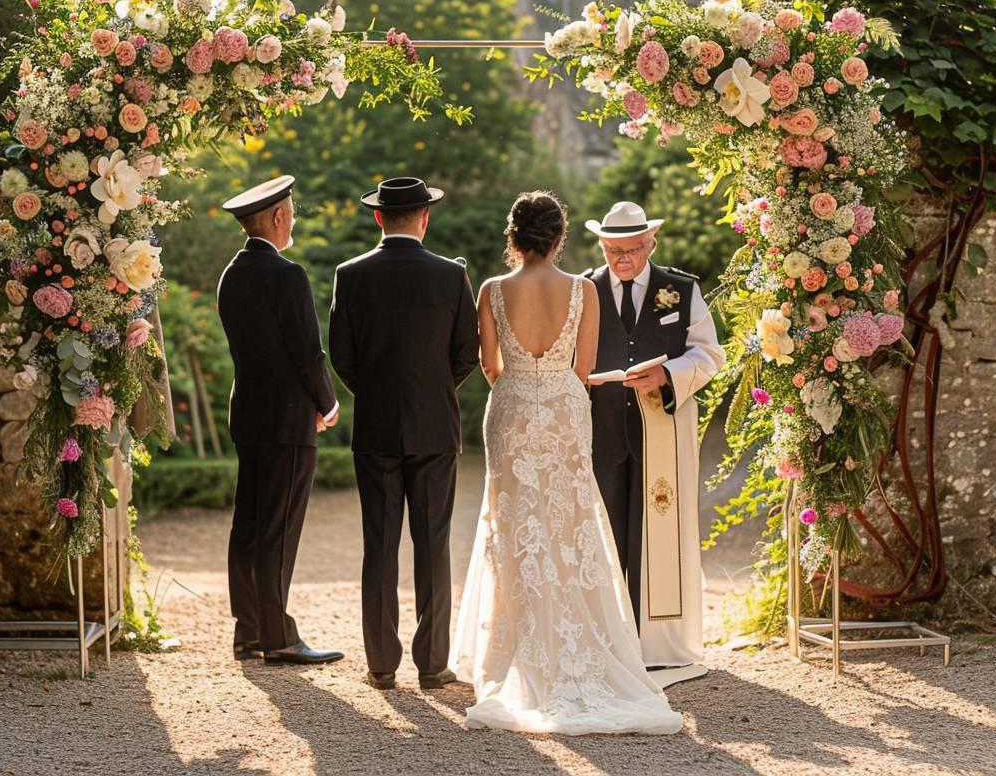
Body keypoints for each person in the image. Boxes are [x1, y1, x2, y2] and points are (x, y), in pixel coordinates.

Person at [450, 191, 681, 735]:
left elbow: (490, 365)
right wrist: (550, 390)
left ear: (514, 238)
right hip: (564, 408)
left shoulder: (491, 290)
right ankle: (575, 644)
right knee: (567, 521)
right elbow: (583, 367)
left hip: (508, 410)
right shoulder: (584, 290)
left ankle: (516, 650)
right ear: (558, 238)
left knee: (512, 525)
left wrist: (520, 390)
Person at [328, 177, 479, 691]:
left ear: (378, 218)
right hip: (435, 427)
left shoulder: (349, 276)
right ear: (425, 218)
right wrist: (433, 391)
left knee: (380, 544)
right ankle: (433, 666)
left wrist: (375, 396)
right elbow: (467, 354)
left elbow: (342, 357)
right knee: (433, 545)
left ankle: (381, 665)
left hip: (375, 429)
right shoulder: (450, 276)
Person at [584, 201, 726, 679]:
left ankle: (656, 642)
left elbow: (709, 355)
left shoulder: (682, 289)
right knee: (604, 536)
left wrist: (666, 373)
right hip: (599, 432)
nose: (620, 259)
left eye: (630, 250)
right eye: (612, 250)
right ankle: (607, 640)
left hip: (660, 430)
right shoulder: (583, 289)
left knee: (656, 534)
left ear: (651, 243)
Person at [217, 175, 344, 666]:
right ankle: (278, 635)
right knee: (279, 526)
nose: (292, 218)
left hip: (247, 412)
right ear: (277, 218)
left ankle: (248, 630)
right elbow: (307, 352)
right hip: (289, 417)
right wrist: (328, 403)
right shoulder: (287, 275)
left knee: (248, 522)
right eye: (290, 211)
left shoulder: (232, 274)